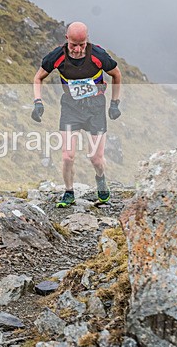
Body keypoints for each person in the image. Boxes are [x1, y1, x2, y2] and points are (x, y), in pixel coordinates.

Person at [32, 21, 122, 207]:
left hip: (95, 108)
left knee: (96, 158)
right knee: (67, 156)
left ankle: (101, 180)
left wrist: (115, 103)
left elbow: (116, 74)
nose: (78, 50)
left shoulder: (98, 55)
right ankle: (69, 192)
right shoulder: (57, 56)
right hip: (70, 108)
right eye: (74, 45)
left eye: (82, 45)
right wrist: (38, 102)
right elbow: (38, 77)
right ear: (67, 39)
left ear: (87, 40)